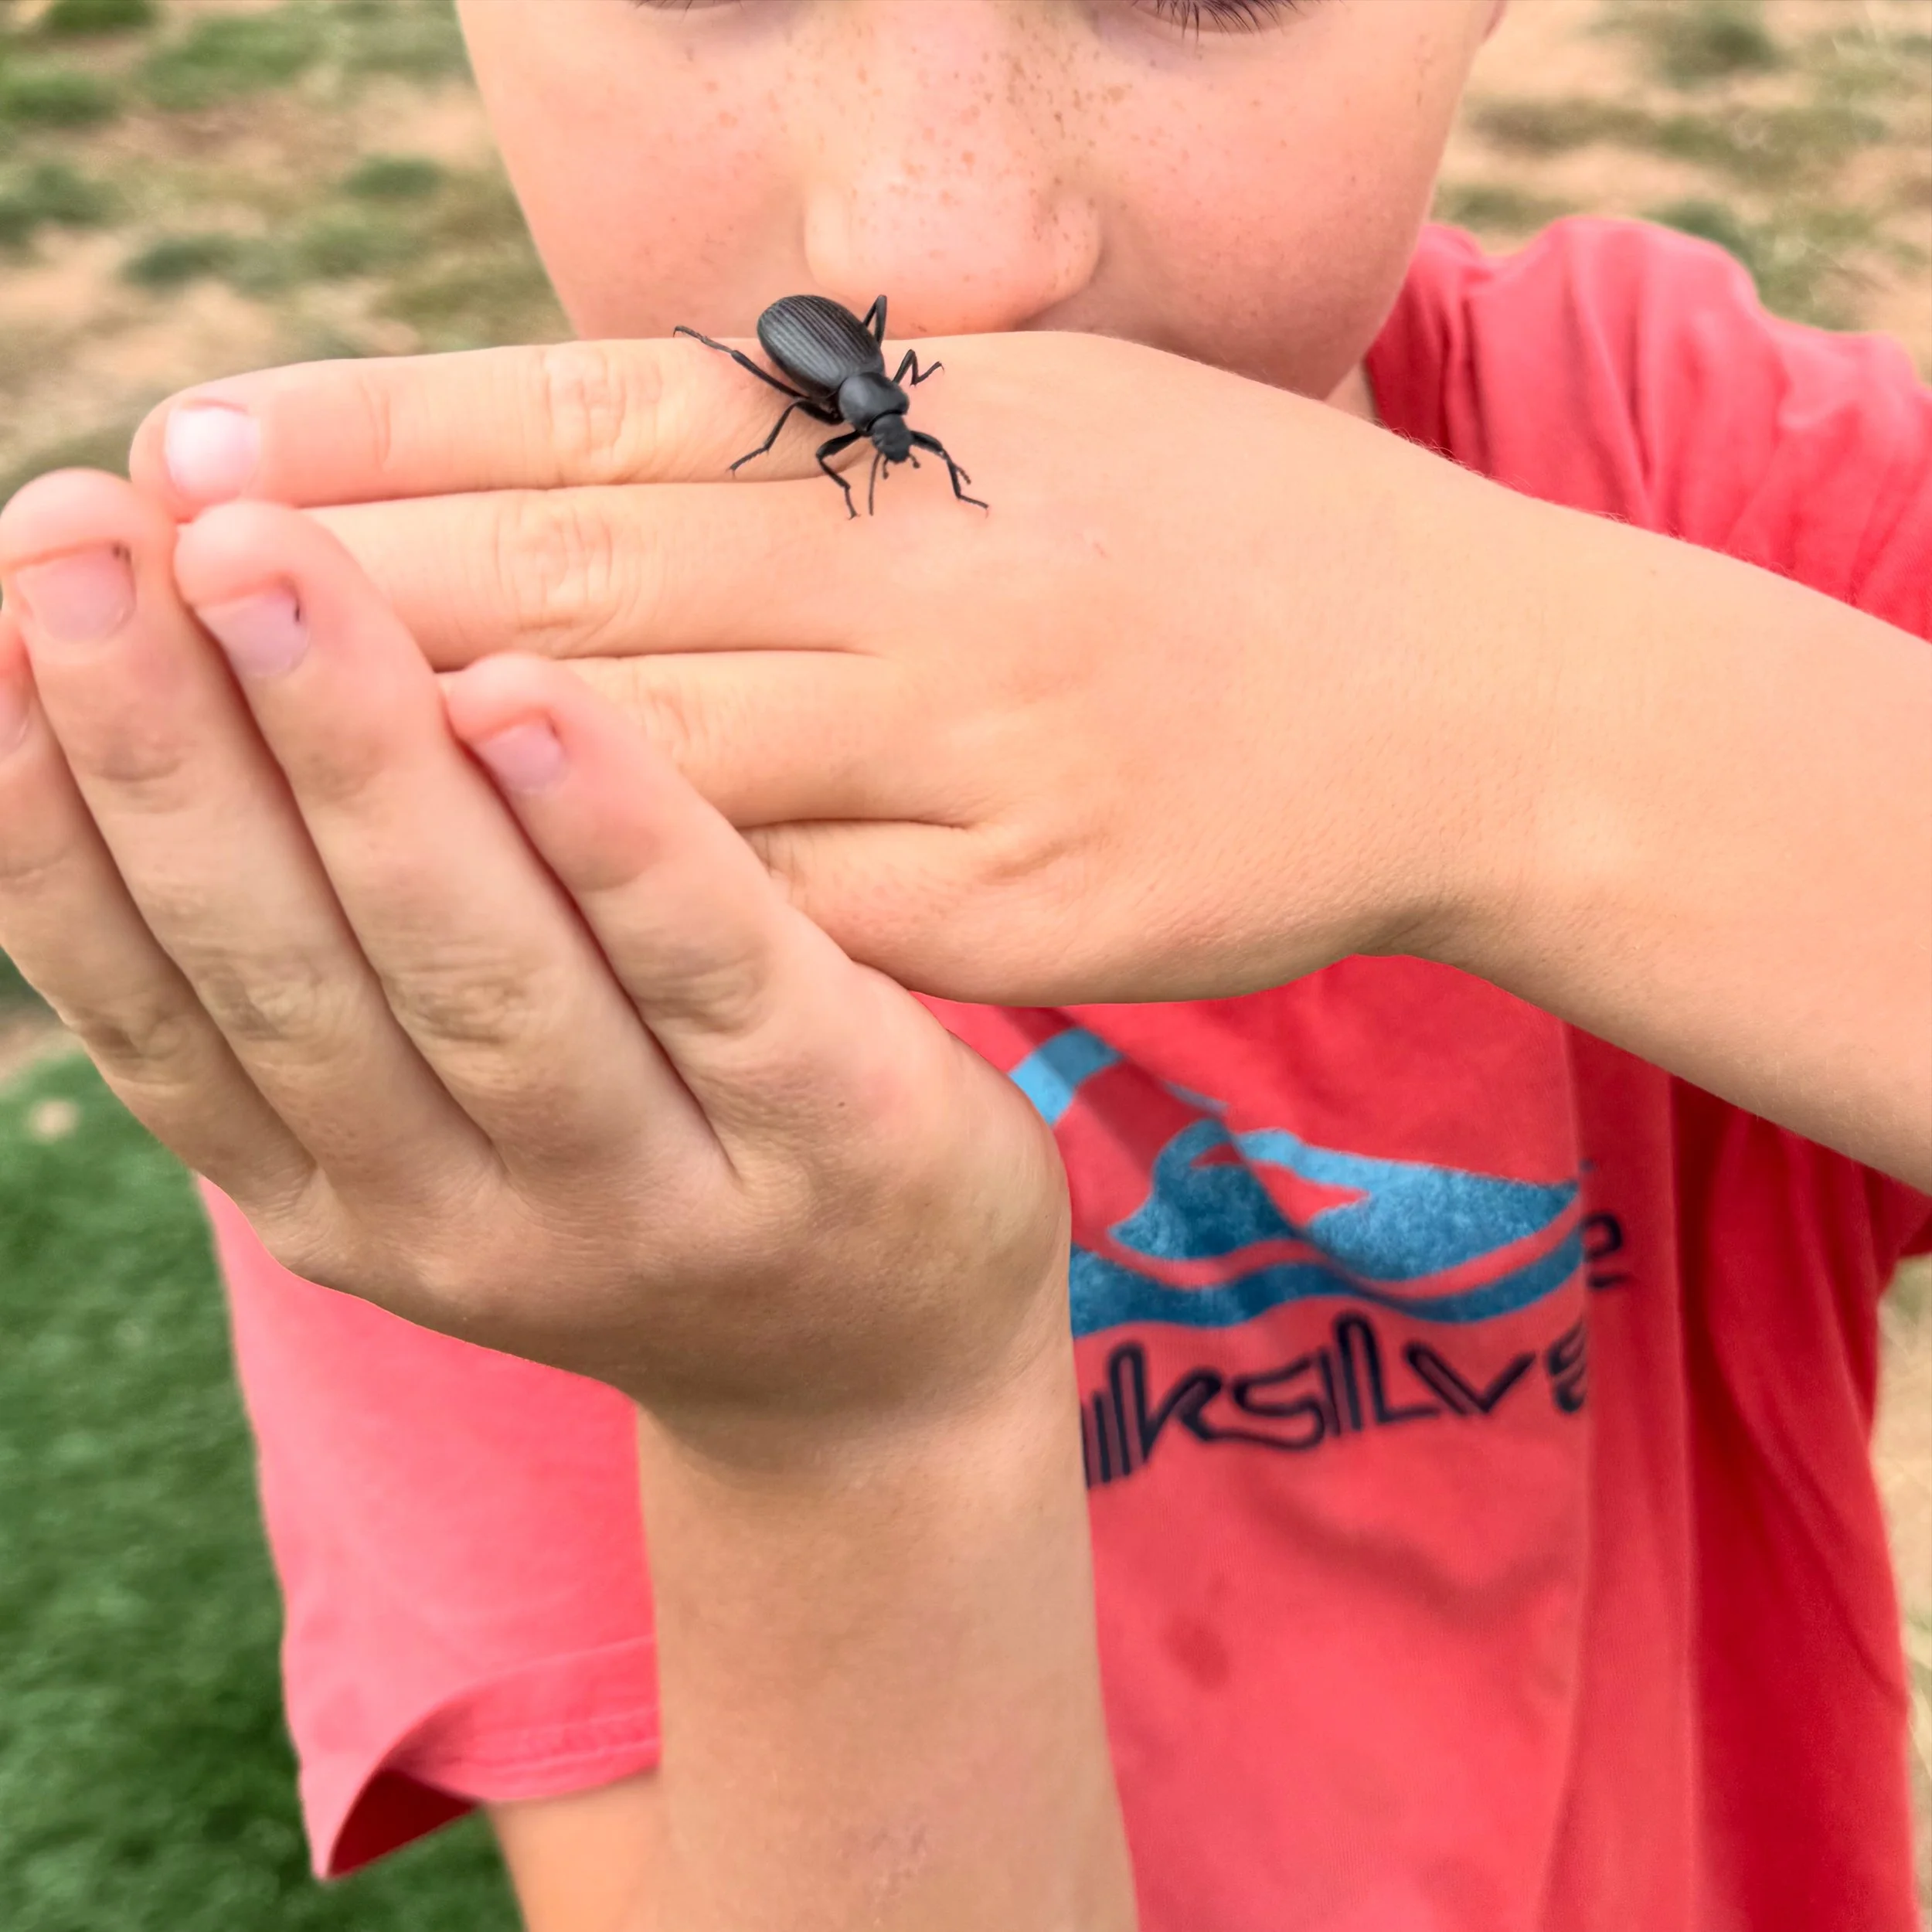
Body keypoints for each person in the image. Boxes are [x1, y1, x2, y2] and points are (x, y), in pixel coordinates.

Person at [0, 0, 1926, 1925]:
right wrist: (834, 1425)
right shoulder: (437, 907)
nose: (930, 248)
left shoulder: (1729, 496)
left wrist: (1522, 732)